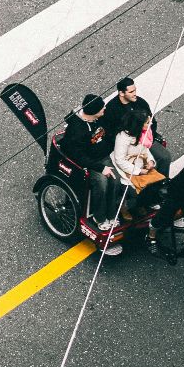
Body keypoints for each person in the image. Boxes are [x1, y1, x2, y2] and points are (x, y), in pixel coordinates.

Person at [64, 94, 122, 250]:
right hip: (91, 163)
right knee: (101, 183)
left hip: (104, 157)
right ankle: (100, 217)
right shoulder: (77, 130)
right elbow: (79, 156)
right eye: (101, 107)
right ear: (93, 111)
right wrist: (101, 168)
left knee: (115, 180)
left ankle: (111, 213)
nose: (105, 108)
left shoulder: (98, 119)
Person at [104, 76, 171, 177]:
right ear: (121, 93)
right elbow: (110, 133)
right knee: (139, 167)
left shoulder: (140, 102)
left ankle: (162, 183)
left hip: (145, 140)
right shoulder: (111, 109)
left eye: (135, 90)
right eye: (131, 92)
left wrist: (147, 137)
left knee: (165, 157)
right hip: (126, 145)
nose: (134, 94)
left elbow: (152, 122)